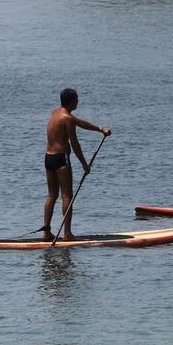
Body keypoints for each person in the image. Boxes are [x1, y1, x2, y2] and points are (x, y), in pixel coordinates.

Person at [43, 88, 112, 242]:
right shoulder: (67, 119)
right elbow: (75, 144)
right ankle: (67, 234)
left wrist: (99, 129)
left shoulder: (56, 112)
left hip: (48, 158)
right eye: (77, 99)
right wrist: (84, 165)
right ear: (72, 101)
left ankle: (46, 232)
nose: (78, 102)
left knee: (51, 195)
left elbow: (78, 122)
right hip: (61, 159)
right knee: (67, 195)